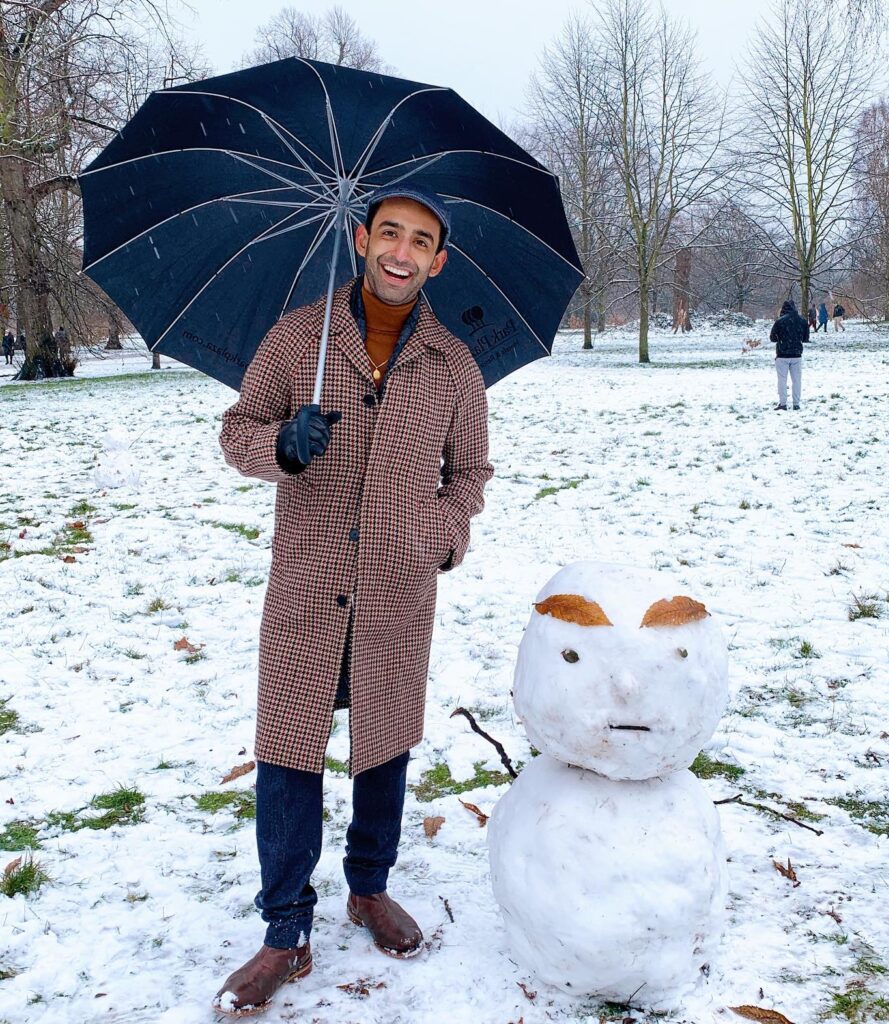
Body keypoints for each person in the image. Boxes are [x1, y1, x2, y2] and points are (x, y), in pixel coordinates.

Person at [214, 184, 493, 1018]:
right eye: (390, 234)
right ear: (364, 239)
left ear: (437, 261)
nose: (402, 253)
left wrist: (442, 536)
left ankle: (369, 889)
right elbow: (236, 431)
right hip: (305, 583)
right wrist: (280, 446)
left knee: (384, 744)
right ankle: (284, 929)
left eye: (421, 242)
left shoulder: (455, 365)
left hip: (399, 589)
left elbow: (470, 473)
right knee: (289, 751)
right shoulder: (302, 337)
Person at [770, 299, 808, 410]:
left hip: (782, 355)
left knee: (782, 380)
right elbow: (805, 338)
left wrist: (782, 339)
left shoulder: (779, 321)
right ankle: (796, 404)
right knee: (797, 380)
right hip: (797, 354)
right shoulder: (802, 321)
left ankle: (783, 403)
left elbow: (772, 338)